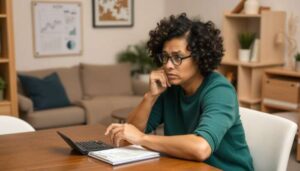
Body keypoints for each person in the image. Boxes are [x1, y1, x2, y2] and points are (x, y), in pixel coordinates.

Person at [105, 13, 253, 171]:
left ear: (199, 57)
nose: (168, 65)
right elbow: (128, 136)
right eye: (166, 57)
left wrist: (142, 138)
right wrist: (150, 96)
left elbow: (201, 148)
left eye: (177, 57)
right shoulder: (171, 87)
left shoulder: (220, 91)